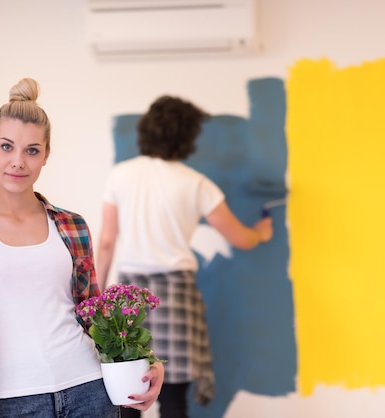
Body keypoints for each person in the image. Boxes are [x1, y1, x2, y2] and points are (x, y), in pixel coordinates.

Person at [0, 78, 165, 418]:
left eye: (32, 150)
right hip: (12, 402)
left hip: (89, 388)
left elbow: (97, 315)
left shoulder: (72, 226)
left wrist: (145, 363)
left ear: (45, 155)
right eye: (6, 146)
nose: (18, 161)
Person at [97, 95, 273, 418]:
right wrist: (261, 232)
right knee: (174, 398)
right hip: (176, 296)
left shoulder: (120, 175)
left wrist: (96, 301)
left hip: (130, 298)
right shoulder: (197, 185)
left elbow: (107, 242)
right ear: (188, 136)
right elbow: (240, 237)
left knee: (128, 395)